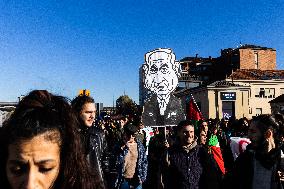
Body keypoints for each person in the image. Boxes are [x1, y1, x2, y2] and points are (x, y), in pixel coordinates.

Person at [0, 90, 102, 189]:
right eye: (17, 170)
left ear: (65, 166)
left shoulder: (96, 136)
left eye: (45, 169)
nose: (30, 185)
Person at [160, 120, 221, 189]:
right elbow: (163, 178)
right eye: (185, 132)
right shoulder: (170, 153)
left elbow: (212, 176)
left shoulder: (203, 152)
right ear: (179, 133)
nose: (189, 135)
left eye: (191, 132)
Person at [228, 114, 284, 189]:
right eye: (249, 131)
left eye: (253, 132)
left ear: (268, 134)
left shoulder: (280, 160)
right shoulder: (245, 159)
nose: (248, 136)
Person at [71, 95, 110, 188]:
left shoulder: (99, 134)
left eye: (94, 112)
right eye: (88, 112)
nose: (92, 116)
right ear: (77, 113)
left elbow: (105, 163)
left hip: (96, 185)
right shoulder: (67, 135)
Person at [142, 48, 185, 126]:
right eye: (153, 70)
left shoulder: (178, 104)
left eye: (164, 69)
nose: (159, 77)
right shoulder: (148, 105)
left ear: (174, 69)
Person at [115, 123, 148, 189]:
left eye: (133, 135)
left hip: (136, 179)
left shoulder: (140, 146)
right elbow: (116, 162)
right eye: (128, 135)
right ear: (124, 134)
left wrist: (143, 177)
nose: (131, 137)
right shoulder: (119, 146)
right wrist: (123, 149)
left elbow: (144, 162)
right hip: (123, 180)